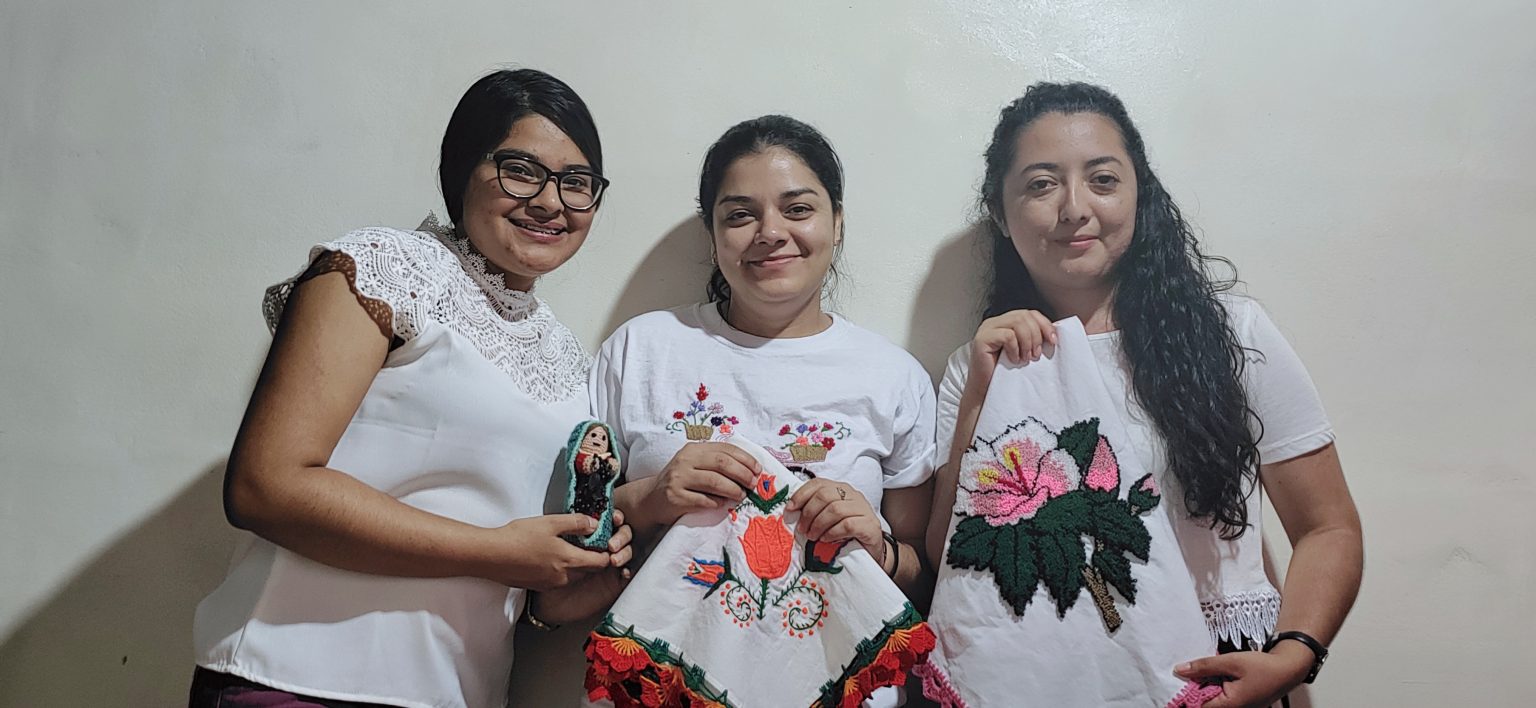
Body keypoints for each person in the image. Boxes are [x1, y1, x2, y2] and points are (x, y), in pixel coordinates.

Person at [188, 68, 632, 708]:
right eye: (520, 170)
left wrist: (558, 594)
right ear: (461, 171)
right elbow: (265, 487)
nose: (550, 201)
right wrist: (494, 553)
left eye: (577, 182)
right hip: (296, 677)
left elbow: (511, 562)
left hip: (457, 693)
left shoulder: (566, 356)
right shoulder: (385, 267)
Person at [920, 82, 1363, 708]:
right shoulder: (977, 364)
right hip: (1062, 680)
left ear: (1138, 193)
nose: (1075, 208)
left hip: (1226, 672)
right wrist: (980, 396)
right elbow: (950, 555)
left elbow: (1327, 525)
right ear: (999, 210)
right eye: (1042, 184)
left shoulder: (1233, 333)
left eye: (1102, 180)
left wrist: (1293, 657)